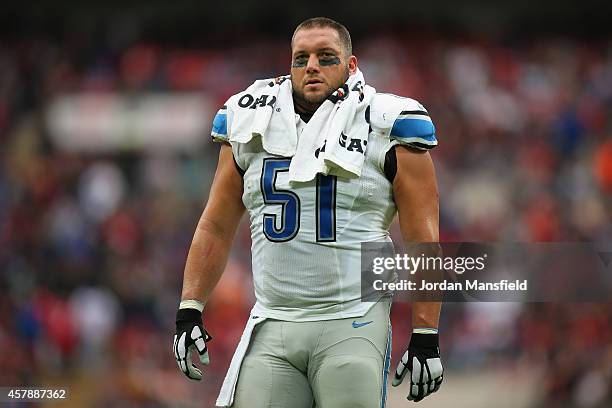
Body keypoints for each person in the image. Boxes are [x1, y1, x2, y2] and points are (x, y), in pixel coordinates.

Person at [173, 17, 444, 407]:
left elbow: (424, 240)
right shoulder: (250, 118)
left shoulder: (387, 123)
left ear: (351, 66)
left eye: (325, 56)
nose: (311, 66)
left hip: (353, 316)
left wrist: (425, 335)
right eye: (301, 58)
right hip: (273, 318)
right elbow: (215, 224)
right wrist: (189, 307)